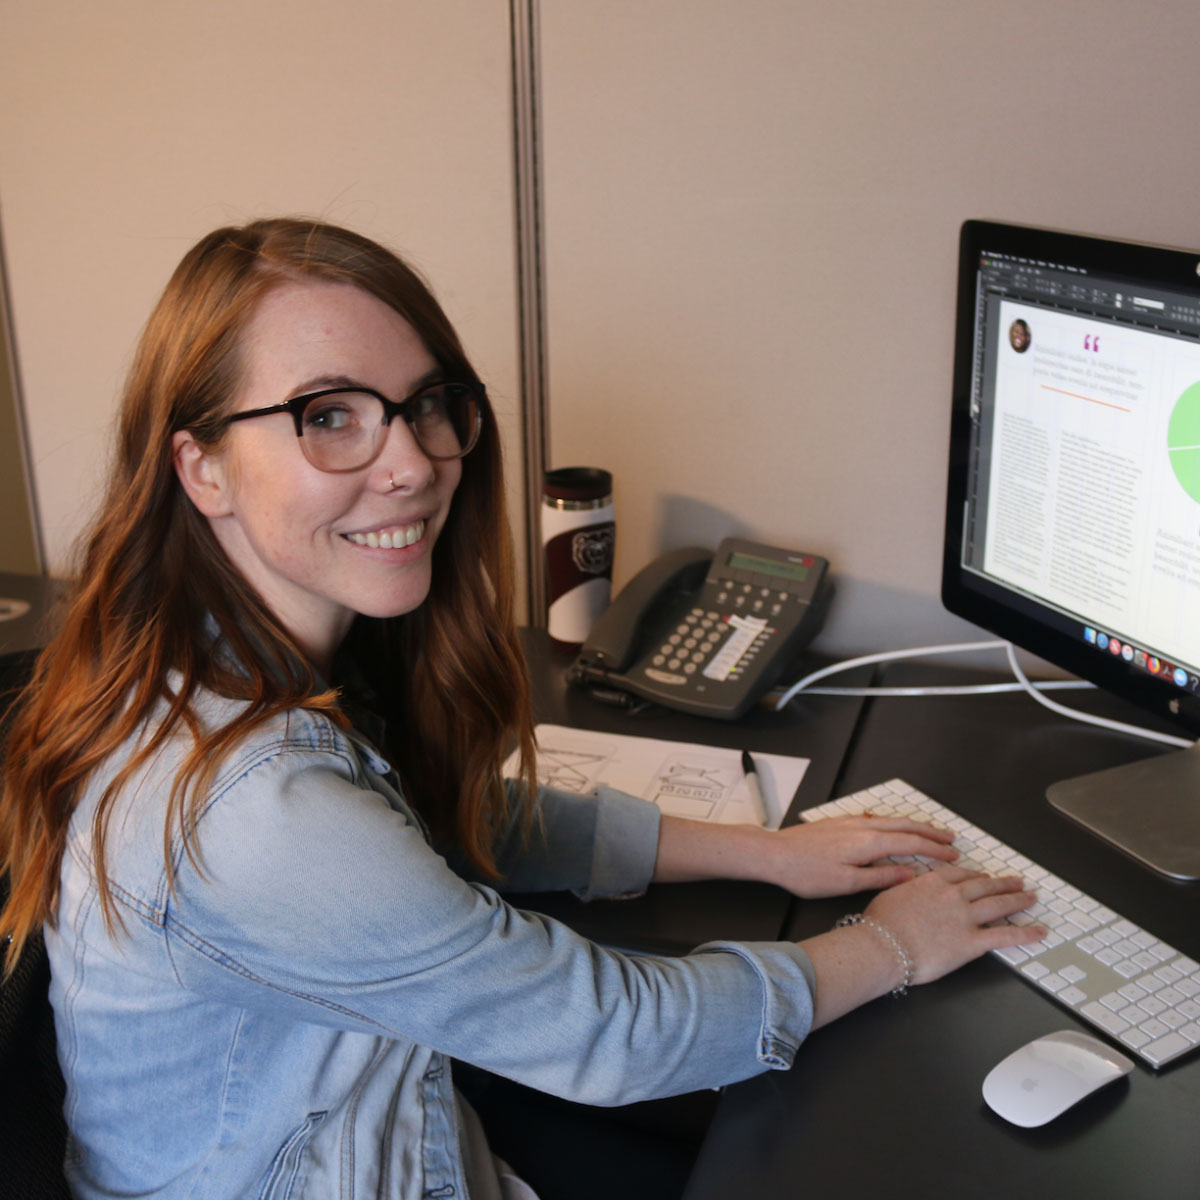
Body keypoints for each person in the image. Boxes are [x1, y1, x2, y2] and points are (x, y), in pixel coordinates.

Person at [0, 218, 1045, 1200]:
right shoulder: (257, 816)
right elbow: (613, 1034)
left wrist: (762, 852)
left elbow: (438, 827)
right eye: (328, 417)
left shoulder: (214, 656)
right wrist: (889, 949)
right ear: (202, 467)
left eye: (421, 404)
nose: (411, 462)